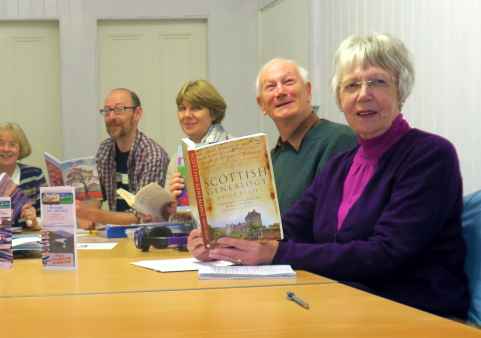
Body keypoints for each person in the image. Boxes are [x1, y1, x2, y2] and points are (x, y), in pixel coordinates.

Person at [189, 33, 469, 319]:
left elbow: (384, 254)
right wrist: (221, 243)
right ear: (339, 99)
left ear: (402, 91)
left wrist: (275, 253)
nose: (363, 94)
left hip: (415, 316)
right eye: (351, 85)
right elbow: (287, 230)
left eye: (378, 82)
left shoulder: (430, 156)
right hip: (343, 304)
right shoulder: (339, 166)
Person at [255, 58, 359, 215]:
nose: (280, 92)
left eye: (288, 82)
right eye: (270, 86)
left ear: (308, 91)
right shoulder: (269, 162)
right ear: (262, 104)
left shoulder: (340, 141)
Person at [75, 88, 170, 229]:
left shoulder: (152, 155)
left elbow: (139, 216)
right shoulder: (105, 149)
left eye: (119, 110)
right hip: (115, 235)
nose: (111, 117)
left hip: (146, 236)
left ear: (137, 114)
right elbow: (97, 194)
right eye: (107, 111)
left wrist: (91, 214)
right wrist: (88, 216)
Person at [165, 80, 233, 224]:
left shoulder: (234, 149)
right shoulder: (178, 157)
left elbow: (239, 208)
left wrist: (194, 212)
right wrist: (171, 205)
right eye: (182, 108)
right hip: (186, 241)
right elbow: (172, 216)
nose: (187, 115)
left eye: (196, 108)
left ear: (214, 112)